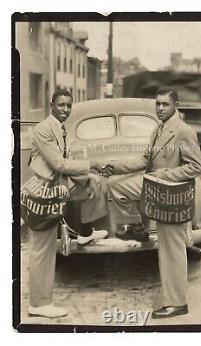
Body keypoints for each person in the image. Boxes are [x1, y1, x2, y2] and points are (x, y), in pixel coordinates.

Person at [108, 88, 201, 318]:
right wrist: (114, 166)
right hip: (155, 191)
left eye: (165, 105)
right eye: (158, 104)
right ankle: (140, 227)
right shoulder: (158, 129)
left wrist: (162, 175)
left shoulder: (183, 131)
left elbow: (196, 166)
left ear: (175, 105)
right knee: (115, 185)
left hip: (171, 197)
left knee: (171, 251)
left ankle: (177, 303)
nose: (160, 108)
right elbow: (144, 160)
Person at [26, 89, 109, 318]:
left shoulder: (61, 129)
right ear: (51, 104)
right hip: (43, 191)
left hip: (56, 188)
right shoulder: (43, 129)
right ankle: (39, 303)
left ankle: (84, 231)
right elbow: (59, 164)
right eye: (61, 104)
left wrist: (88, 177)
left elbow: (68, 163)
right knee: (42, 248)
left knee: (95, 184)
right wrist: (92, 165)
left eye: (69, 105)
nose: (65, 109)